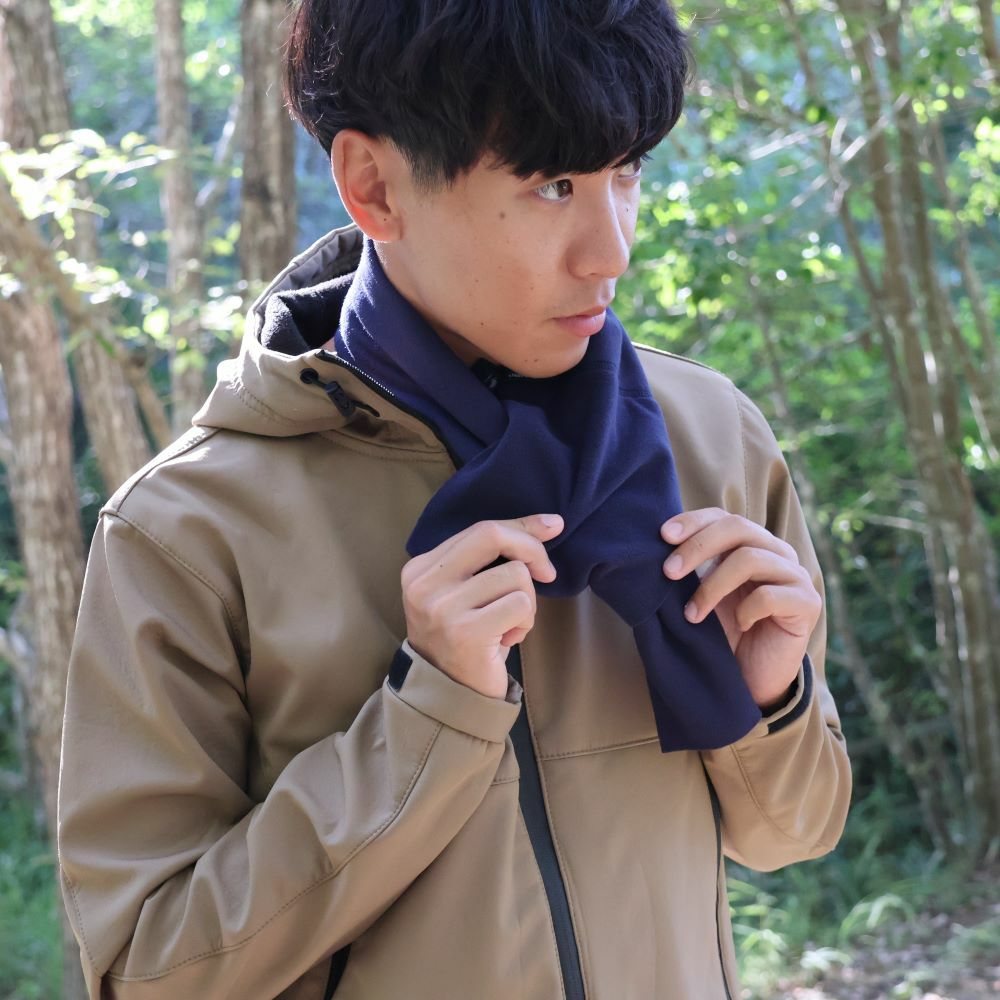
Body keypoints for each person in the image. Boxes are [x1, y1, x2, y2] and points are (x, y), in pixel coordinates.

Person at [56, 1, 852, 997]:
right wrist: (425, 718)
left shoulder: (709, 435)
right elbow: (145, 971)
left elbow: (793, 831)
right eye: (553, 184)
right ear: (373, 185)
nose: (611, 250)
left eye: (627, 172)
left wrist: (771, 699)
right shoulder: (188, 530)